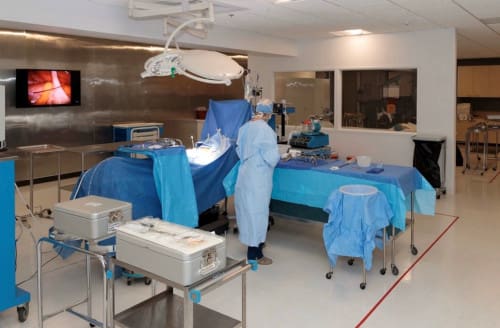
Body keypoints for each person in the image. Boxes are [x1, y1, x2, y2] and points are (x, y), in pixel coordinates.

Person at [234, 98, 280, 265]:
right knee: (258, 213)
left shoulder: (245, 127)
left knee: (247, 212)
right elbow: (272, 158)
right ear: (268, 114)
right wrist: (283, 155)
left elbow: (239, 150)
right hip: (258, 177)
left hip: (245, 174)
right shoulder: (266, 131)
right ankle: (255, 255)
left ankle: (253, 245)